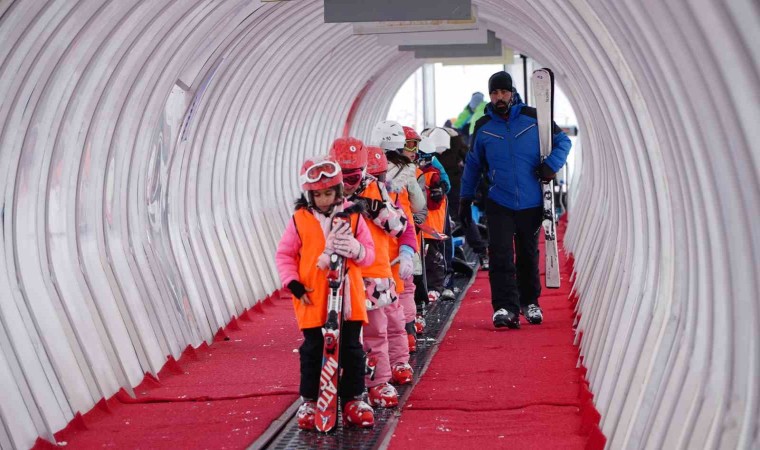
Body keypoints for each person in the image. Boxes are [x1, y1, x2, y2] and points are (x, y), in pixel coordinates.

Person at [459, 70, 571, 329]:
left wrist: (551, 165)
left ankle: (529, 302)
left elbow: (563, 141)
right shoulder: (483, 127)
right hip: (499, 200)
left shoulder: (533, 117)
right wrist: (465, 198)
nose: (499, 97)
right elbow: (473, 164)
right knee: (500, 254)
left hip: (532, 201)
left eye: (503, 92)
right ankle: (505, 307)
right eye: (494, 93)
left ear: (512, 93)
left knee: (528, 253)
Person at [275, 155, 376, 430]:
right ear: (309, 195)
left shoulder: (354, 216)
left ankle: (353, 398)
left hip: (348, 298)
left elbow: (370, 255)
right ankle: (311, 399)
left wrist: (356, 249)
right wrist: (293, 284)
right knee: (313, 349)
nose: (322, 200)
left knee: (351, 349)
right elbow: (284, 255)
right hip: (312, 297)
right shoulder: (300, 220)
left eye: (328, 193)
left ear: (338, 190)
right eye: (317, 195)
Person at [329, 137, 411, 408]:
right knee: (340, 335)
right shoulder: (326, 192)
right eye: (344, 176)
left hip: (373, 273)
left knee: (376, 332)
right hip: (340, 275)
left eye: (354, 177)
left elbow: (399, 226)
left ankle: (379, 382)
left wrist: (377, 210)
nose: (349, 183)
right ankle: (341, 387)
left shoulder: (376, 190)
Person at [371, 120, 429, 342]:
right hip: (404, 236)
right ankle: (408, 331)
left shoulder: (370, 170)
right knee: (406, 287)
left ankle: (382, 333)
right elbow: (419, 203)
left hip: (378, 238)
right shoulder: (408, 171)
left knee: (382, 288)